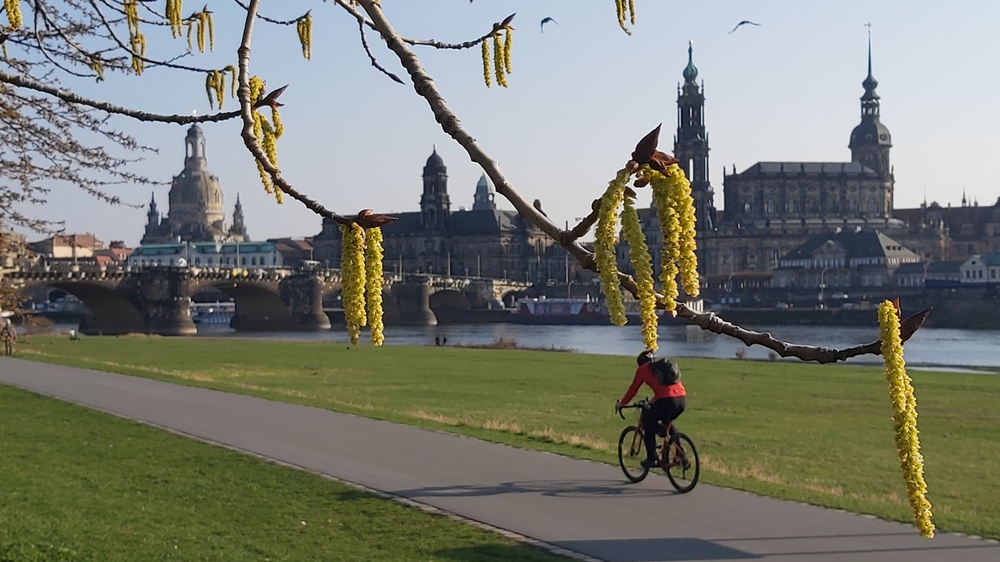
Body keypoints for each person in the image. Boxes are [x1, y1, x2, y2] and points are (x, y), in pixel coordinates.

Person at [616, 350, 686, 468]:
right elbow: (663, 391)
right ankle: (681, 454)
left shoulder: (643, 369)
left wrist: (622, 403)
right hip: (681, 399)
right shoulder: (662, 368)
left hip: (666, 400)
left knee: (648, 424)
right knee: (667, 422)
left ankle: (652, 458)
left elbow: (633, 389)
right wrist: (652, 401)